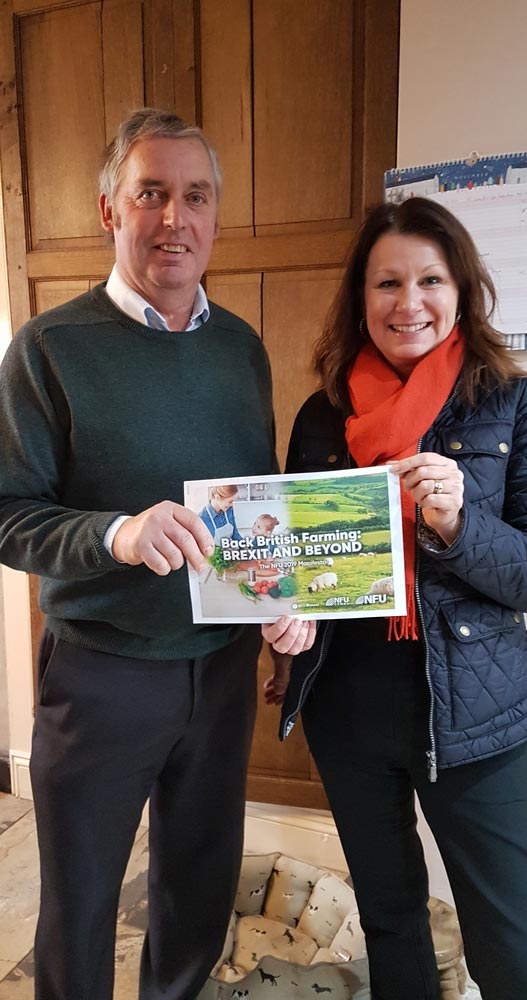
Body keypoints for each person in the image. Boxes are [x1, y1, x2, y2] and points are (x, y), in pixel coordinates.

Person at [0, 108, 277, 1000]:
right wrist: (112, 533)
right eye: (149, 193)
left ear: (215, 220)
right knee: (80, 904)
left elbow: (256, 507)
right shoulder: (48, 348)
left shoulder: (242, 348)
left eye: (194, 197)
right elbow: (8, 513)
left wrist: (284, 595)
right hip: (104, 675)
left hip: (222, 667)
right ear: (108, 212)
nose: (174, 219)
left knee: (197, 887)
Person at [263, 197, 527, 1000]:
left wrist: (458, 522)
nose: (408, 302)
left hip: (477, 718)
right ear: (360, 296)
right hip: (348, 708)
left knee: (515, 939)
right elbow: (296, 561)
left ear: (460, 290)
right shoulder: (322, 415)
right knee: (387, 917)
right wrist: (287, 622)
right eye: (387, 283)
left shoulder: (512, 405)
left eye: (429, 279)